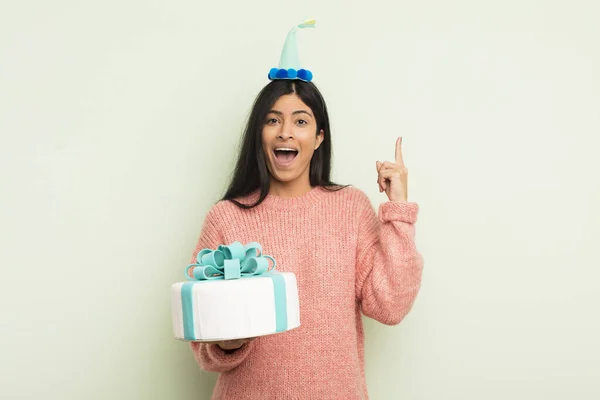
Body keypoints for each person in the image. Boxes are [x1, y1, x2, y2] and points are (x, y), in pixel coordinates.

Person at [187, 19, 424, 399]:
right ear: (259, 134)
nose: (285, 132)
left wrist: (398, 210)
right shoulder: (226, 217)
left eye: (300, 121)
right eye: (272, 121)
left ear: (318, 138)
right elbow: (203, 343)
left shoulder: (350, 208)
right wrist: (228, 342)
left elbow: (390, 306)